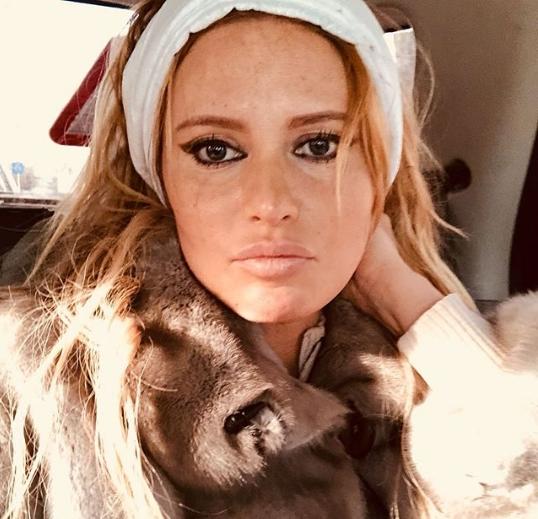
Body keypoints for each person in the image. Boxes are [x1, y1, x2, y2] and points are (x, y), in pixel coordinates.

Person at [0, 0, 537, 517]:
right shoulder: (34, 379)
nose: (271, 202)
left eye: (319, 146)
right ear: (161, 180)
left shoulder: (426, 376)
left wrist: (404, 296)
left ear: (377, 173)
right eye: (215, 150)